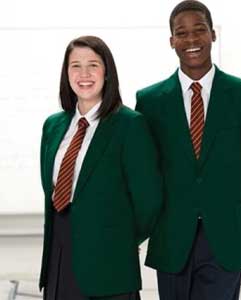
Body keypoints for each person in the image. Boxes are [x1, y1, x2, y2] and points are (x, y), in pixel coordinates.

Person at [135, 1, 241, 299]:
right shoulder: (149, 102)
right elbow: (147, 175)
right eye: (182, 33)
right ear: (171, 42)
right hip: (172, 235)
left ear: (212, 35)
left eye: (200, 30)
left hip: (225, 234)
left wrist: (238, 223)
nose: (192, 39)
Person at [39, 35, 162, 300]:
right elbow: (50, 189)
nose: (84, 74)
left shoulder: (130, 125)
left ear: (107, 72)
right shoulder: (53, 126)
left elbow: (149, 200)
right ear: (66, 73)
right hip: (59, 253)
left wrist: (122, 239)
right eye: (75, 65)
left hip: (110, 260)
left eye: (93, 64)